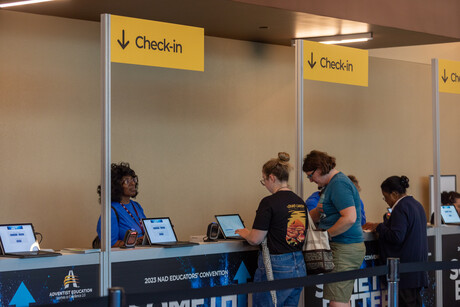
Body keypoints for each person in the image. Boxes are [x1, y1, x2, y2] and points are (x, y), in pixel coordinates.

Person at [235, 152, 307, 307]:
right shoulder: (299, 201)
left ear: (272, 178)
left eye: (264, 180)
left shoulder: (269, 202)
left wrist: (244, 232)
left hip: (276, 266)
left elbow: (256, 239)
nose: (265, 184)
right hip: (298, 264)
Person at [303, 150, 365, 307]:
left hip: (345, 247)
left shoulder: (338, 184)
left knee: (337, 302)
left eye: (310, 175)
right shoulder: (331, 185)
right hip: (342, 247)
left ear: (319, 169)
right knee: (342, 298)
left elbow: (350, 218)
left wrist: (326, 235)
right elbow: (317, 212)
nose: (310, 180)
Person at [363, 176, 428, 307]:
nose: (386, 201)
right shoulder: (417, 204)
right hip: (417, 269)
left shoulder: (400, 208)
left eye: (385, 197)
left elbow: (396, 236)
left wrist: (379, 227)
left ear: (394, 194)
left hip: (404, 272)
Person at [96, 162, 146, 247]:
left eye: (133, 180)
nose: (133, 183)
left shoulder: (136, 206)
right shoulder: (111, 211)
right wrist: (137, 242)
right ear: (116, 185)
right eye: (127, 181)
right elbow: (110, 245)